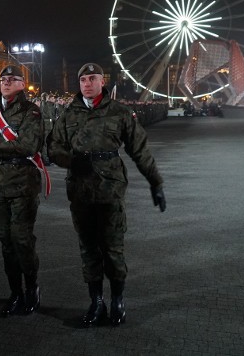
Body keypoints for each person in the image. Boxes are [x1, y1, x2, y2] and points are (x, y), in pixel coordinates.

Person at [47, 63, 166, 327]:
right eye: (83, 80)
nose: (87, 83)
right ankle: (96, 301)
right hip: (79, 189)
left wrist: (155, 182)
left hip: (110, 189)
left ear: (103, 81)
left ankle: (118, 300)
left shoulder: (119, 112)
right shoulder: (69, 114)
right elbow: (52, 146)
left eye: (92, 78)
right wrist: (69, 161)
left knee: (112, 248)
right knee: (88, 249)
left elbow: (140, 150)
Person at [0, 65, 44, 317]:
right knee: (6, 243)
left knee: (22, 240)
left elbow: (28, 146)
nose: (6, 83)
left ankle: (32, 288)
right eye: (3, 79)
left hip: (22, 184)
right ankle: (15, 292)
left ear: (22, 84)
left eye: (12, 79)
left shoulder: (31, 111)